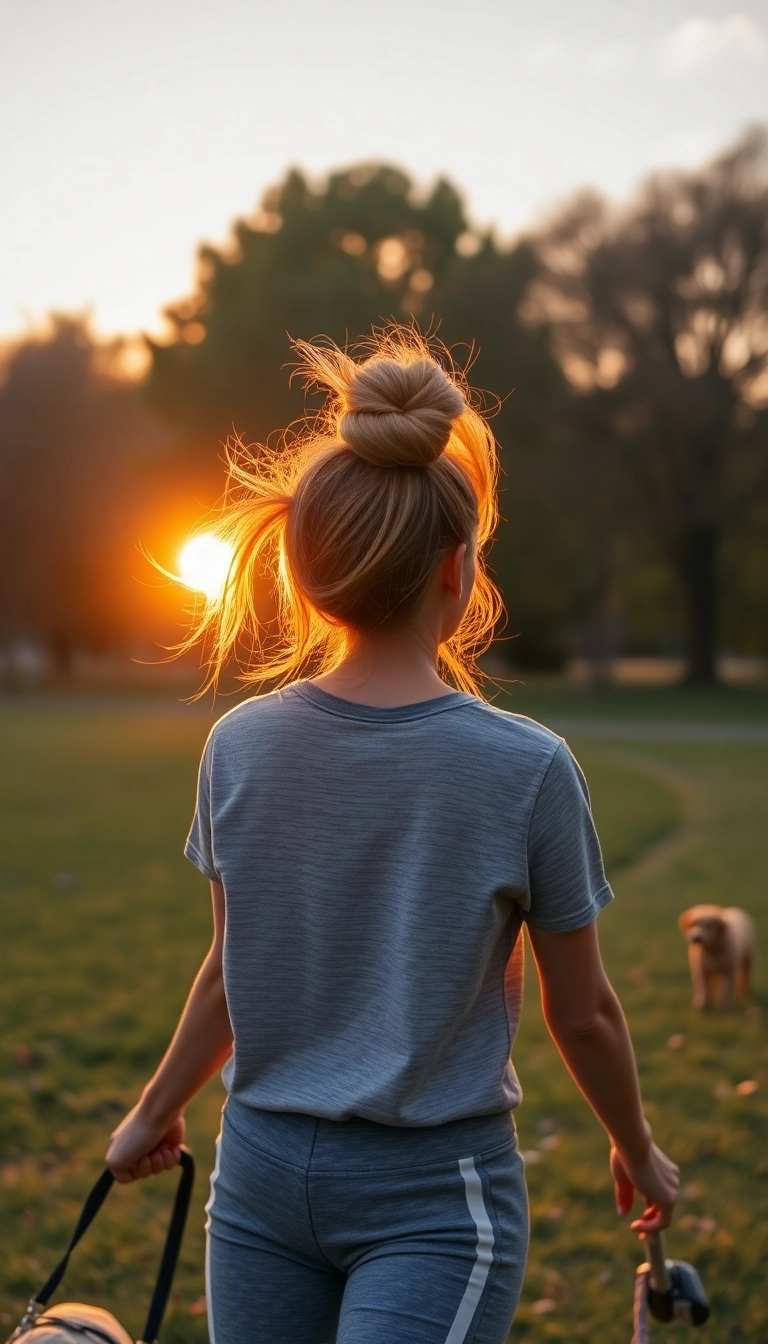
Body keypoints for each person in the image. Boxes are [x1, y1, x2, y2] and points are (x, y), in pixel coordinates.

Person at [106, 328, 679, 1344]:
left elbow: (227, 972)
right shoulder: (528, 767)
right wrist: (635, 1144)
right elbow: (582, 1014)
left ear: (302, 566)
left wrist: (152, 1112)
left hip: (258, 1180)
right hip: (434, 1195)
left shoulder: (237, 746)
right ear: (457, 571)